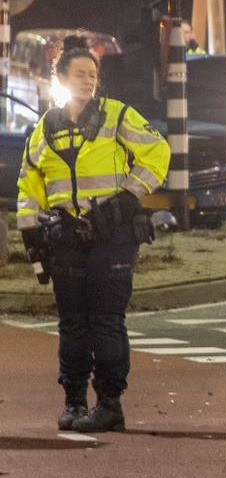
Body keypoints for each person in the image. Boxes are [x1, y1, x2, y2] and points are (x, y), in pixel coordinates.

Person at [17, 36, 171, 433]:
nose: (88, 80)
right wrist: (30, 232)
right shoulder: (45, 128)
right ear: (61, 78)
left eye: (93, 74)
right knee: (72, 324)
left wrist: (128, 198)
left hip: (112, 234)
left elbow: (158, 154)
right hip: (66, 236)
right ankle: (73, 402)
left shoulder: (117, 115)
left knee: (105, 320)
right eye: (80, 74)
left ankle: (110, 405)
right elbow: (29, 183)